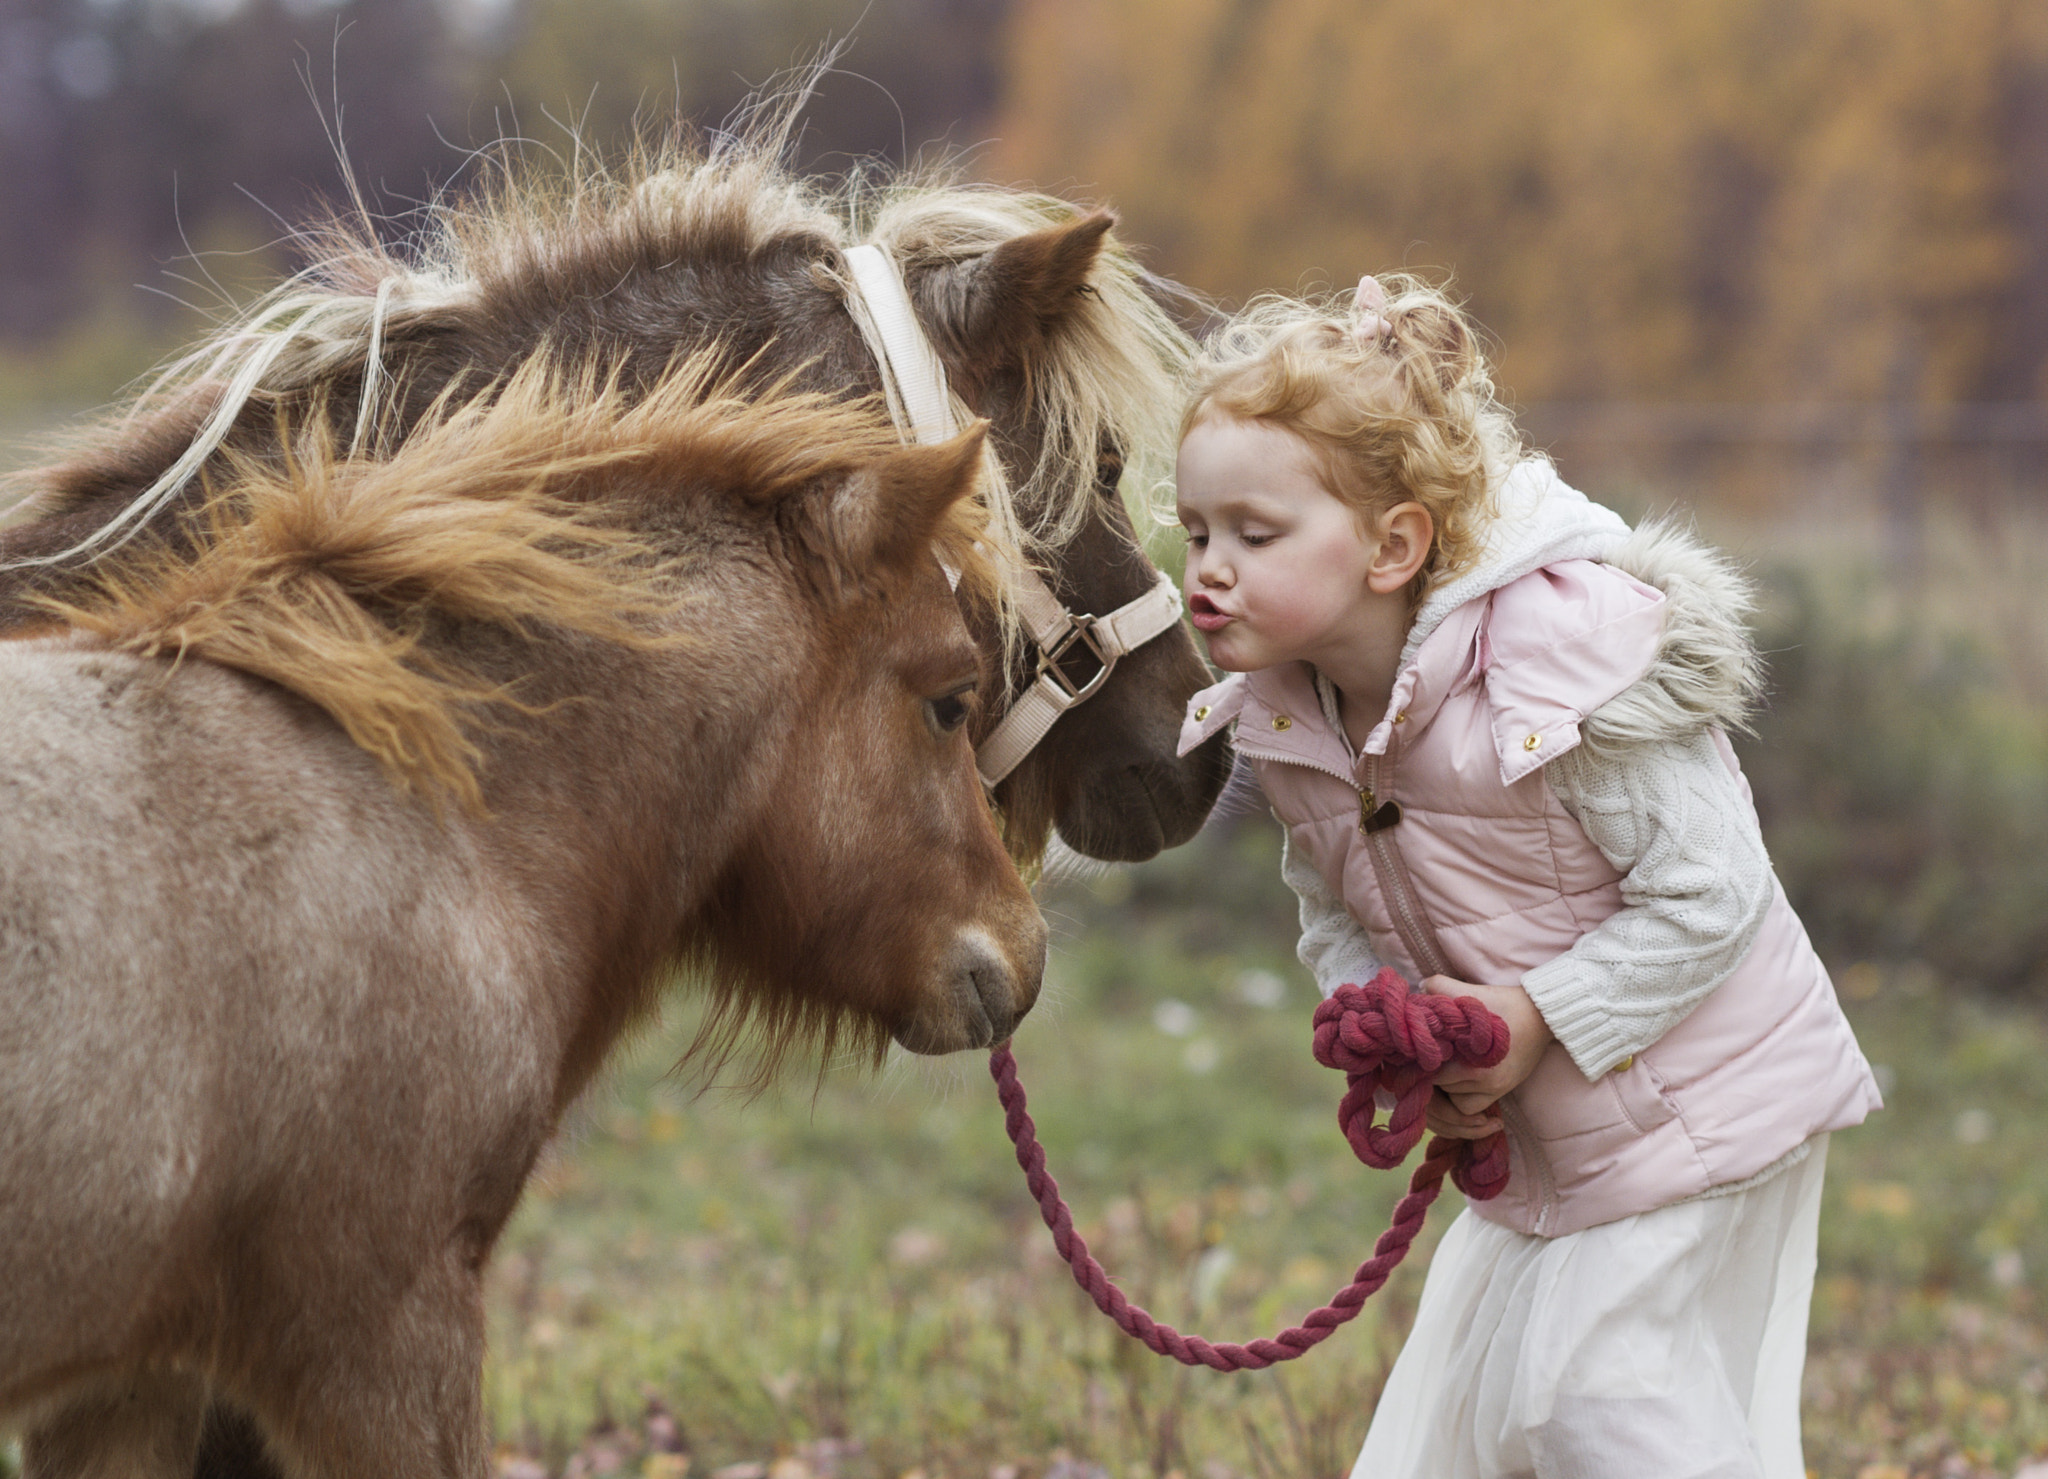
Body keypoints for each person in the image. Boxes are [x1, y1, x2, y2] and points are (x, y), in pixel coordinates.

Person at [1173, 275, 1881, 1478]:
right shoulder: (1287, 721)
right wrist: (1400, 1026)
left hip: (1692, 1109)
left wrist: (1531, 1019)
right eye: (1195, 533)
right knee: (1474, 1435)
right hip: (1558, 1144)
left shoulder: (1556, 671)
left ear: (1392, 544)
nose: (1210, 569)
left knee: (1594, 1408)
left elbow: (1714, 892)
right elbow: (1332, 904)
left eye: (1254, 534)